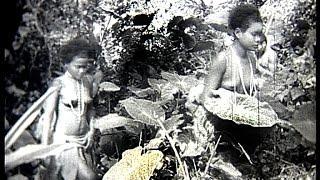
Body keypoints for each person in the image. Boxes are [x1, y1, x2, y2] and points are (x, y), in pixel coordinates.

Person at [187, 4, 267, 145]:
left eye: (260, 33)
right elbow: (205, 99)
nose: (259, 39)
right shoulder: (223, 59)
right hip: (220, 128)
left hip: (243, 123)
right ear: (238, 33)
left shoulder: (252, 58)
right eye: (254, 34)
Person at [40, 37, 102, 180]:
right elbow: (48, 117)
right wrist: (44, 149)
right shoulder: (59, 83)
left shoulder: (88, 81)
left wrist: (91, 131)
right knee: (91, 178)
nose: (82, 71)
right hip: (65, 143)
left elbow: (90, 109)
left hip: (85, 142)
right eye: (78, 66)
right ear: (66, 64)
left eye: (85, 66)